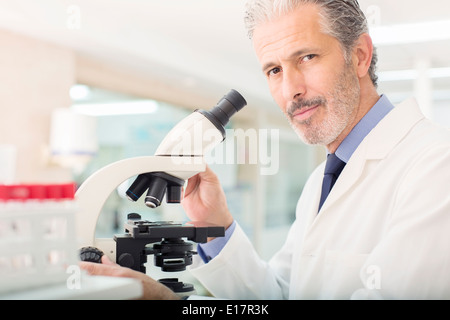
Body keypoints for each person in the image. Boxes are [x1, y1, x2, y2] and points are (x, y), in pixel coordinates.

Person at [80, 0, 450, 299]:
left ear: (359, 56)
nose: (291, 89)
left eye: (306, 57)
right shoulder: (323, 180)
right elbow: (276, 295)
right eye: (273, 70)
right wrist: (215, 224)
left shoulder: (435, 167)